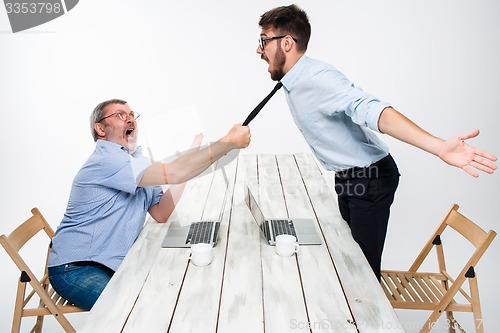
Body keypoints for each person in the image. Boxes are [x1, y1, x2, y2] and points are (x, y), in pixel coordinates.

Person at [255, 4, 497, 280]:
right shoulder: (295, 80)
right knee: (348, 259)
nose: (259, 50)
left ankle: (369, 320)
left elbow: (372, 110)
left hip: (370, 179)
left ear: (286, 42)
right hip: (351, 177)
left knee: (363, 276)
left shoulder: (318, 79)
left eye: (263, 41)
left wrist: (438, 146)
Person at [47, 99, 251, 310]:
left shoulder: (136, 160)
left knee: (166, 298)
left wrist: (189, 166)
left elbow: (161, 212)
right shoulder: (107, 160)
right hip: (76, 268)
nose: (129, 119)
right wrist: (227, 143)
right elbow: (174, 172)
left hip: (109, 264)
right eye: (119, 115)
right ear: (100, 128)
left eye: (132, 114)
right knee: (132, 312)